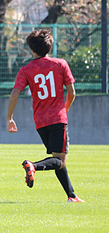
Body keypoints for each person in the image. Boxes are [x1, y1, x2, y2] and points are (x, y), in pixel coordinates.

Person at [6, 29, 84, 203]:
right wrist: (65, 109)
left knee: (57, 159)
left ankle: (71, 196)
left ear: (31, 48)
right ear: (49, 47)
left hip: (40, 122)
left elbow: (14, 94)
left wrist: (9, 118)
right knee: (59, 160)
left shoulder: (26, 70)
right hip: (57, 118)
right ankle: (33, 165)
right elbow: (71, 92)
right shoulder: (60, 64)